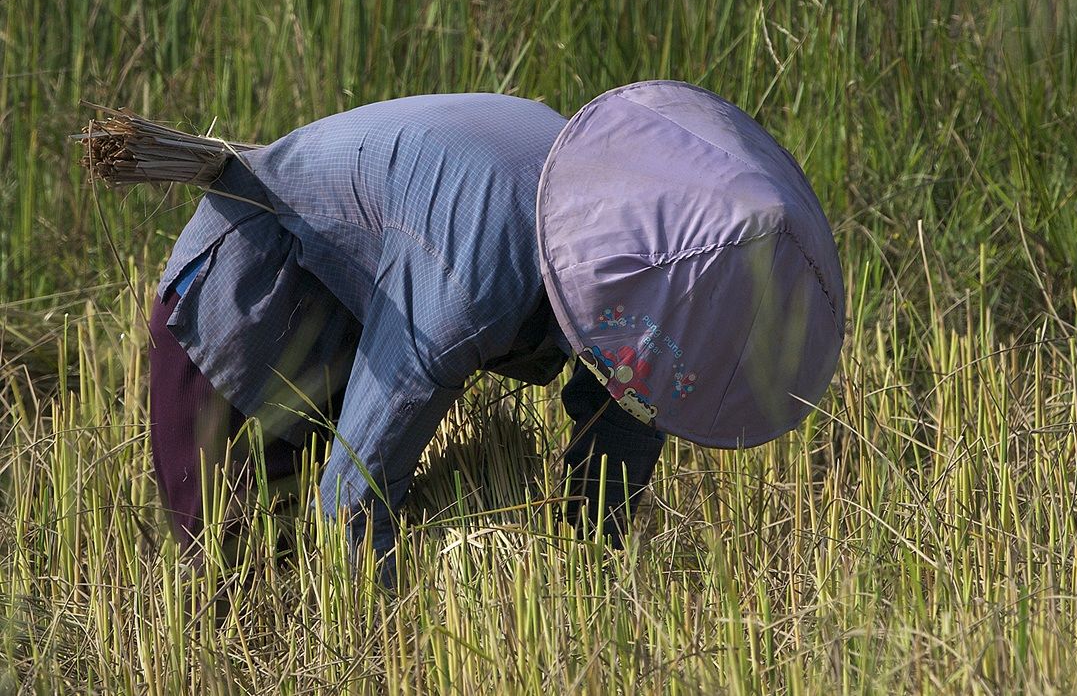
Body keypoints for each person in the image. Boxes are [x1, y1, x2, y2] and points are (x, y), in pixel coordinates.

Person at [148, 81, 845, 565]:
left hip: (375, 283)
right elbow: (352, 497)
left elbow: (627, 422)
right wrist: (389, 650)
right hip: (253, 285)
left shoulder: (635, 251)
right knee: (231, 560)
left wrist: (587, 577)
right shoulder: (470, 282)